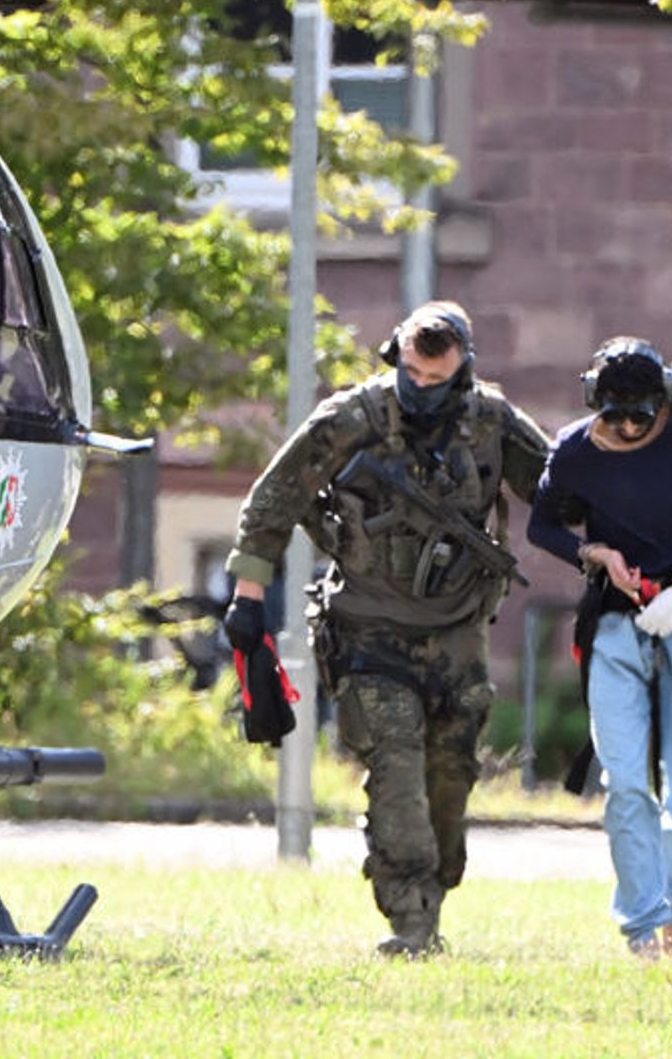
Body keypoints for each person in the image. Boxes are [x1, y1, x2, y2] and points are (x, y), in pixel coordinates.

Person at [221, 301, 549, 957]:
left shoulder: (491, 422)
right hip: (368, 628)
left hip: (457, 633)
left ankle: (432, 887)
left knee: (448, 779)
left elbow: (560, 490)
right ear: (395, 356)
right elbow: (275, 496)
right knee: (395, 765)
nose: (420, 387)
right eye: (411, 373)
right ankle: (412, 918)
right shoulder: (353, 418)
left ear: (463, 369)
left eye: (436, 377)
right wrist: (248, 598)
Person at [527, 337, 672, 960]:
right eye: (613, 414)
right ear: (593, 402)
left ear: (666, 401)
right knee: (626, 783)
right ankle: (641, 927)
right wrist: (595, 554)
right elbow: (542, 524)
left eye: (641, 415)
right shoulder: (575, 449)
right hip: (613, 622)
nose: (627, 427)